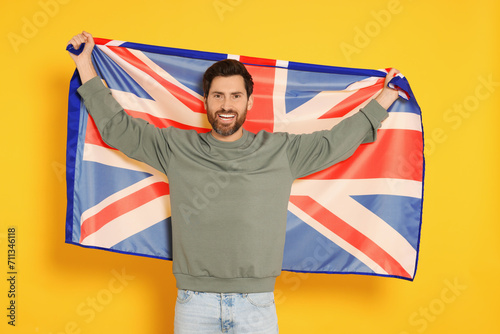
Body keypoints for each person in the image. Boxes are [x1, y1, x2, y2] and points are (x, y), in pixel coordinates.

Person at [67, 31, 399, 334]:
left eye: (236, 96)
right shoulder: (176, 148)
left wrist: (384, 99)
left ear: (249, 102)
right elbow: (118, 128)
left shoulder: (281, 151)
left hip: (257, 304)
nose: (227, 105)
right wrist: (85, 64)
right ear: (206, 101)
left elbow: (335, 142)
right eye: (219, 96)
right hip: (194, 303)